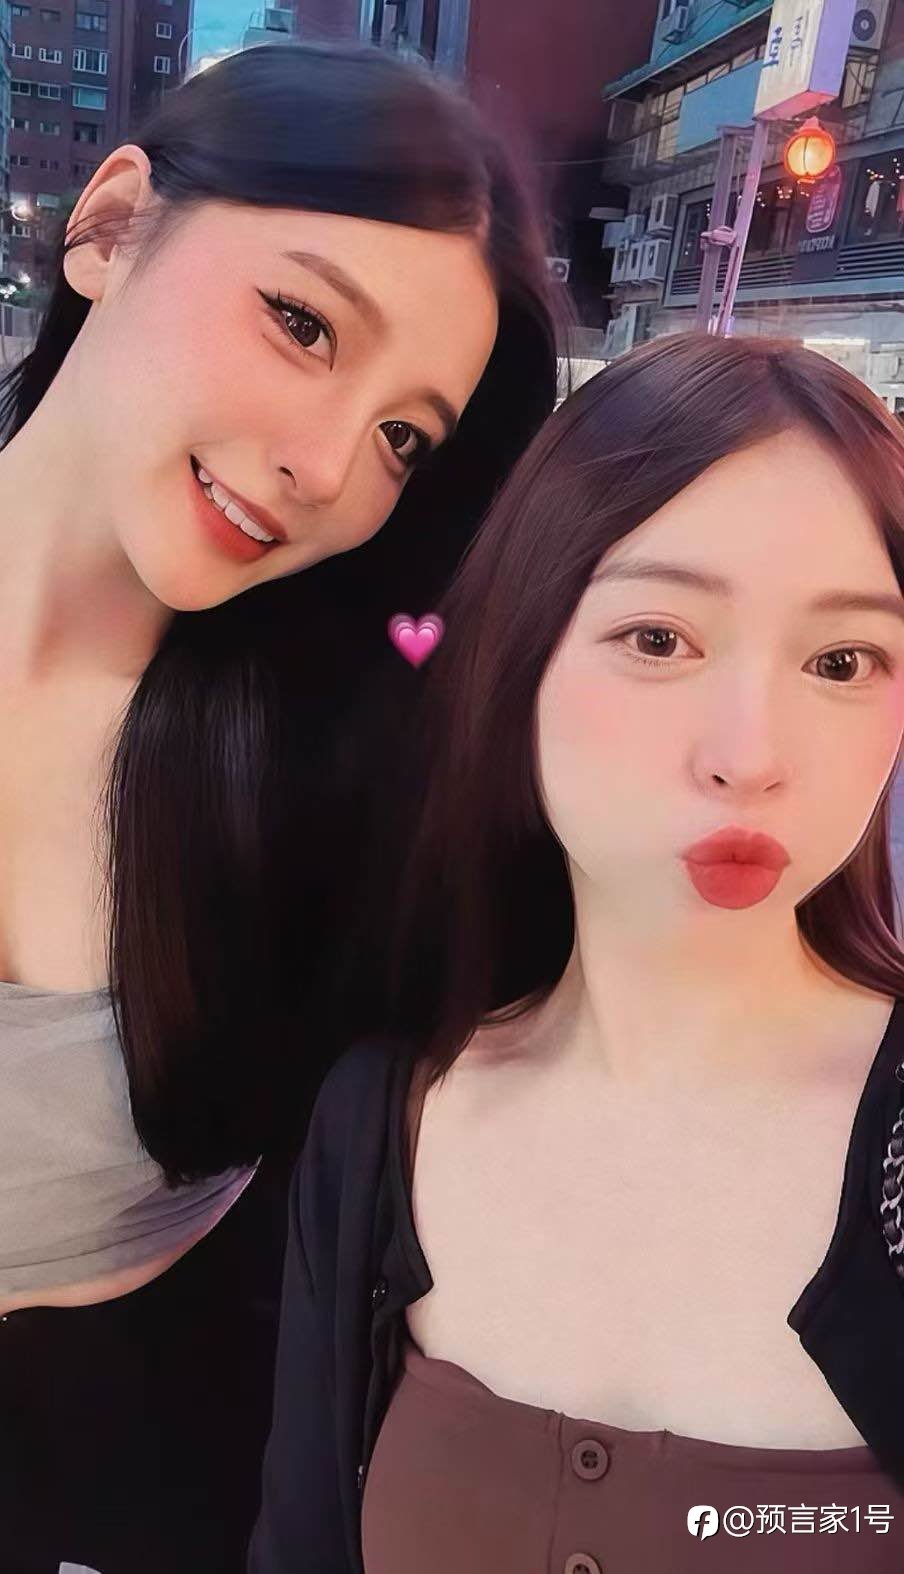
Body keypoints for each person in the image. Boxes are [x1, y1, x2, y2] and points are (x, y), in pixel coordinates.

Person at [0, 38, 562, 1574]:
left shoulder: (344, 781)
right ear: (112, 224)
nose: (327, 467)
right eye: (304, 322)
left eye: (403, 438)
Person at [250, 330, 904, 1574]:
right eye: (658, 638)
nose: (749, 755)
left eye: (840, 660)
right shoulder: (384, 1125)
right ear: (519, 656)